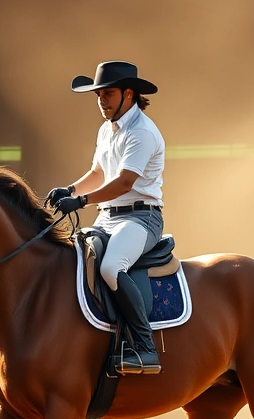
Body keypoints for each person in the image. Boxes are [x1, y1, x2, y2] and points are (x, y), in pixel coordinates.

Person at [48, 60, 166, 375]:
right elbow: (99, 172)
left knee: (112, 267)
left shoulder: (142, 132)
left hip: (141, 218)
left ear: (129, 94)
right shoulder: (106, 129)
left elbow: (124, 182)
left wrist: (82, 200)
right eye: (98, 95)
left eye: (108, 94)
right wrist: (70, 188)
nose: (102, 100)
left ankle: (145, 348)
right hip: (107, 217)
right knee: (74, 258)